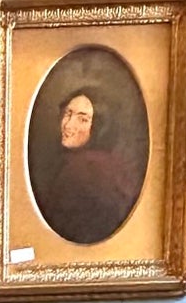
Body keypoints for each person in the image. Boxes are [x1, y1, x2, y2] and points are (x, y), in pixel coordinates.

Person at [34, 85, 142, 247]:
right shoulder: (111, 163)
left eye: (82, 119)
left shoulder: (82, 169)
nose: (68, 125)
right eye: (68, 114)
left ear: (100, 126)